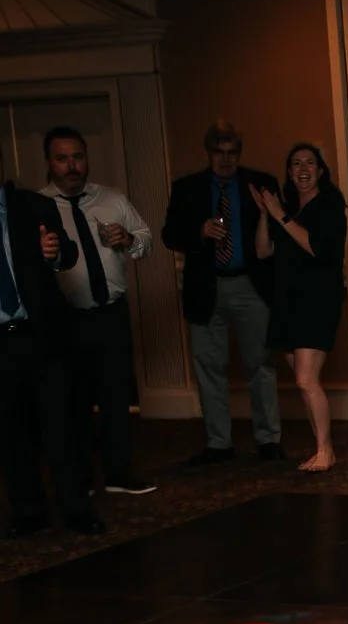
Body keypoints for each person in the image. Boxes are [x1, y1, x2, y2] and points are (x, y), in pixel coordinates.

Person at [161, 120, 284, 466]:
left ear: (239, 154)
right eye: (219, 152)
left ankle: (269, 439)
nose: (226, 159)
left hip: (250, 284)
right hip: (206, 285)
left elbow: (280, 230)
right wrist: (198, 232)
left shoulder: (261, 183)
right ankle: (219, 443)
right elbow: (170, 235)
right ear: (209, 152)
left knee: (260, 363)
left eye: (232, 153)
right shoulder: (187, 188)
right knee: (208, 365)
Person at [41, 125, 156, 496]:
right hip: (66, 319)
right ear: (49, 162)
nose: (72, 165)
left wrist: (128, 239)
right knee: (73, 402)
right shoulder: (38, 207)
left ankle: (119, 473)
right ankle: (80, 481)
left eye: (77, 156)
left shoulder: (113, 198)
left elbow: (146, 238)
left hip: (110, 314)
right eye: (62, 158)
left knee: (116, 396)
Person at [0, 179, 103, 538]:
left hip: (41, 334)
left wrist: (54, 253)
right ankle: (28, 512)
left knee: (61, 426)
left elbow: (68, 254)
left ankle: (77, 510)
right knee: (10, 432)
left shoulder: (33, 206)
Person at [249, 142, 348, 472]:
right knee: (302, 381)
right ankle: (320, 447)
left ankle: (326, 450)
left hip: (317, 302)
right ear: (289, 173)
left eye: (310, 163)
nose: (303, 169)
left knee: (307, 379)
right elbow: (263, 251)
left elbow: (316, 247)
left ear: (320, 171)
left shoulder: (330, 206)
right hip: (288, 302)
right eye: (296, 164)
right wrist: (266, 214)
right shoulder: (288, 208)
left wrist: (280, 214)